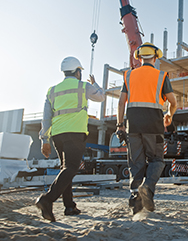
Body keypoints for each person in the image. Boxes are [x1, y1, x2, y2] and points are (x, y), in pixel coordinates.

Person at [36, 56, 105, 222]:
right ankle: (47, 199)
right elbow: (101, 97)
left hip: (57, 135)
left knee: (65, 169)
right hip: (75, 133)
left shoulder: (52, 90)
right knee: (71, 168)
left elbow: (46, 117)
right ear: (78, 72)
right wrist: (95, 84)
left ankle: (69, 206)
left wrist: (44, 139)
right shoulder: (83, 86)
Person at [117, 42, 177, 214]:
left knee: (136, 163)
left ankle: (136, 202)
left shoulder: (129, 75)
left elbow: (121, 102)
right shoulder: (161, 75)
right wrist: (169, 115)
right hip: (154, 125)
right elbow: (173, 102)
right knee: (157, 160)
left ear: (139, 57)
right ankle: (148, 187)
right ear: (156, 57)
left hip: (133, 126)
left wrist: (120, 125)